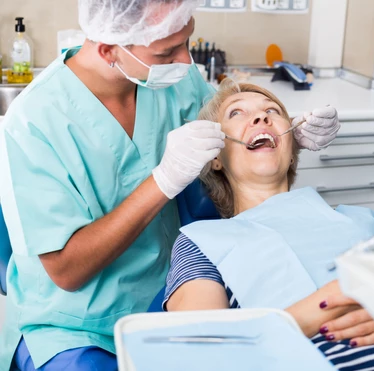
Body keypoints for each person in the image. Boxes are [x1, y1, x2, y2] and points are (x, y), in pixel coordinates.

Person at [0, 1, 341, 370]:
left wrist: (279, 134)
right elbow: (66, 271)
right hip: (78, 325)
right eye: (167, 51)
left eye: (187, 40)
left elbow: (231, 133)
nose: (186, 60)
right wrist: (163, 181)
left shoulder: (177, 77)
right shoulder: (34, 123)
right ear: (108, 49)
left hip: (172, 293)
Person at [164, 79, 374, 371]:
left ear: (293, 143)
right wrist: (326, 303)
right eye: (237, 113)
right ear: (216, 157)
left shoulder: (365, 219)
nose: (261, 117)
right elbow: (204, 356)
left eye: (272, 110)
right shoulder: (200, 241)